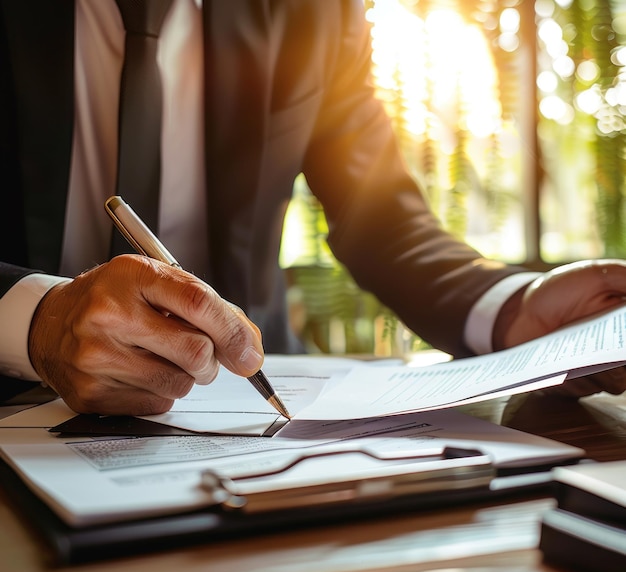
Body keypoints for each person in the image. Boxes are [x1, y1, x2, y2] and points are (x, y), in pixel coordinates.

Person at [1, 0, 625, 417]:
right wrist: (36, 319)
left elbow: (382, 215)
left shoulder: (317, 11)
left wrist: (514, 309)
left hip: (254, 397)